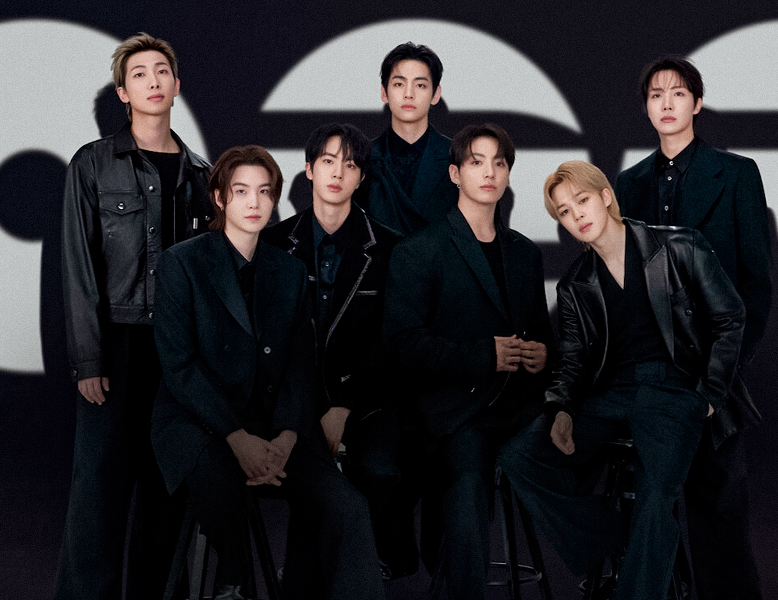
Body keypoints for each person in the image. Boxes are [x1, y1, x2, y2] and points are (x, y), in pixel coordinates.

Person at [501, 160, 745, 600]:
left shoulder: (680, 246)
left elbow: (730, 317)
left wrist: (709, 394)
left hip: (672, 390)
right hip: (611, 394)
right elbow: (573, 361)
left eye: (582, 200)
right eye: (564, 212)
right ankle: (615, 543)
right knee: (520, 457)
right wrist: (560, 409)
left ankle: (635, 582)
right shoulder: (575, 284)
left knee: (655, 502)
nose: (577, 215)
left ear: (606, 196)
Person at [152, 145, 385, 600]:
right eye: (241, 191)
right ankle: (233, 585)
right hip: (199, 424)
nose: (254, 202)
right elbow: (180, 368)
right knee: (222, 492)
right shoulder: (183, 263)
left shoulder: (288, 270)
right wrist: (238, 438)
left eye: (264, 192)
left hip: (274, 426)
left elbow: (300, 365)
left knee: (347, 506)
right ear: (219, 198)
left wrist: (288, 436)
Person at [57, 32, 212, 600]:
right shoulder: (93, 164)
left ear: (177, 84)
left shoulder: (202, 173)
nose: (153, 81)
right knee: (97, 495)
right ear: (123, 92)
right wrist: (88, 358)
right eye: (139, 74)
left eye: (161, 71)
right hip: (117, 347)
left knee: (166, 493)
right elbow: (78, 267)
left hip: (179, 353)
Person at [614, 55, 772, 599]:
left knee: (718, 502)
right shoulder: (628, 184)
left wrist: (725, 370)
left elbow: (756, 283)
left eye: (678, 93)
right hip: (648, 370)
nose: (666, 103)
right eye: (656, 95)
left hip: (712, 367)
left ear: (697, 103)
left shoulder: (737, 173)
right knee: (644, 501)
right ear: (645, 108)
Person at [383, 123, 553, 599]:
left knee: (580, 447)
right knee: (467, 480)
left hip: (520, 411)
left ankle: (617, 567)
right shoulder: (419, 250)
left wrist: (542, 354)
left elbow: (542, 335)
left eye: (499, 163)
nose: (490, 172)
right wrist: (485, 355)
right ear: (455, 173)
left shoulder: (524, 253)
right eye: (477, 162)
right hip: (458, 412)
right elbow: (402, 346)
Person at [262, 123, 420, 578]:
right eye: (328, 161)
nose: (337, 173)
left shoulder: (390, 248)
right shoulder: (275, 244)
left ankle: (367, 568)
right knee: (307, 477)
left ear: (361, 177)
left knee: (381, 471)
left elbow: (391, 340)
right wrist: (303, 409)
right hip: (290, 405)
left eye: (350, 165)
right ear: (309, 169)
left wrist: (345, 405)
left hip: (366, 403)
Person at [360, 42, 458, 235]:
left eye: (420, 85)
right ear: (384, 92)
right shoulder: (363, 158)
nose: (409, 94)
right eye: (399, 84)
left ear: (435, 94)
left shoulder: (456, 157)